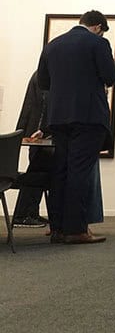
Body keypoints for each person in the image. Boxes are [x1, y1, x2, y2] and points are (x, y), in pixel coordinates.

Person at [37, 10, 115, 245]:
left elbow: (43, 82)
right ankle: (76, 229)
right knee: (79, 172)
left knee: (60, 171)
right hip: (89, 117)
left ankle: (58, 229)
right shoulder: (98, 43)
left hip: (59, 118)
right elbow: (110, 76)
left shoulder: (53, 45)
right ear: (98, 27)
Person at [11, 72, 51, 228]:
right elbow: (43, 105)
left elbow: (29, 106)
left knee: (38, 169)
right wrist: (42, 129)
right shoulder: (45, 76)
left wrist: (21, 130)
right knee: (37, 171)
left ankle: (29, 212)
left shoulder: (39, 74)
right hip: (39, 135)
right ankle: (25, 213)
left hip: (34, 131)